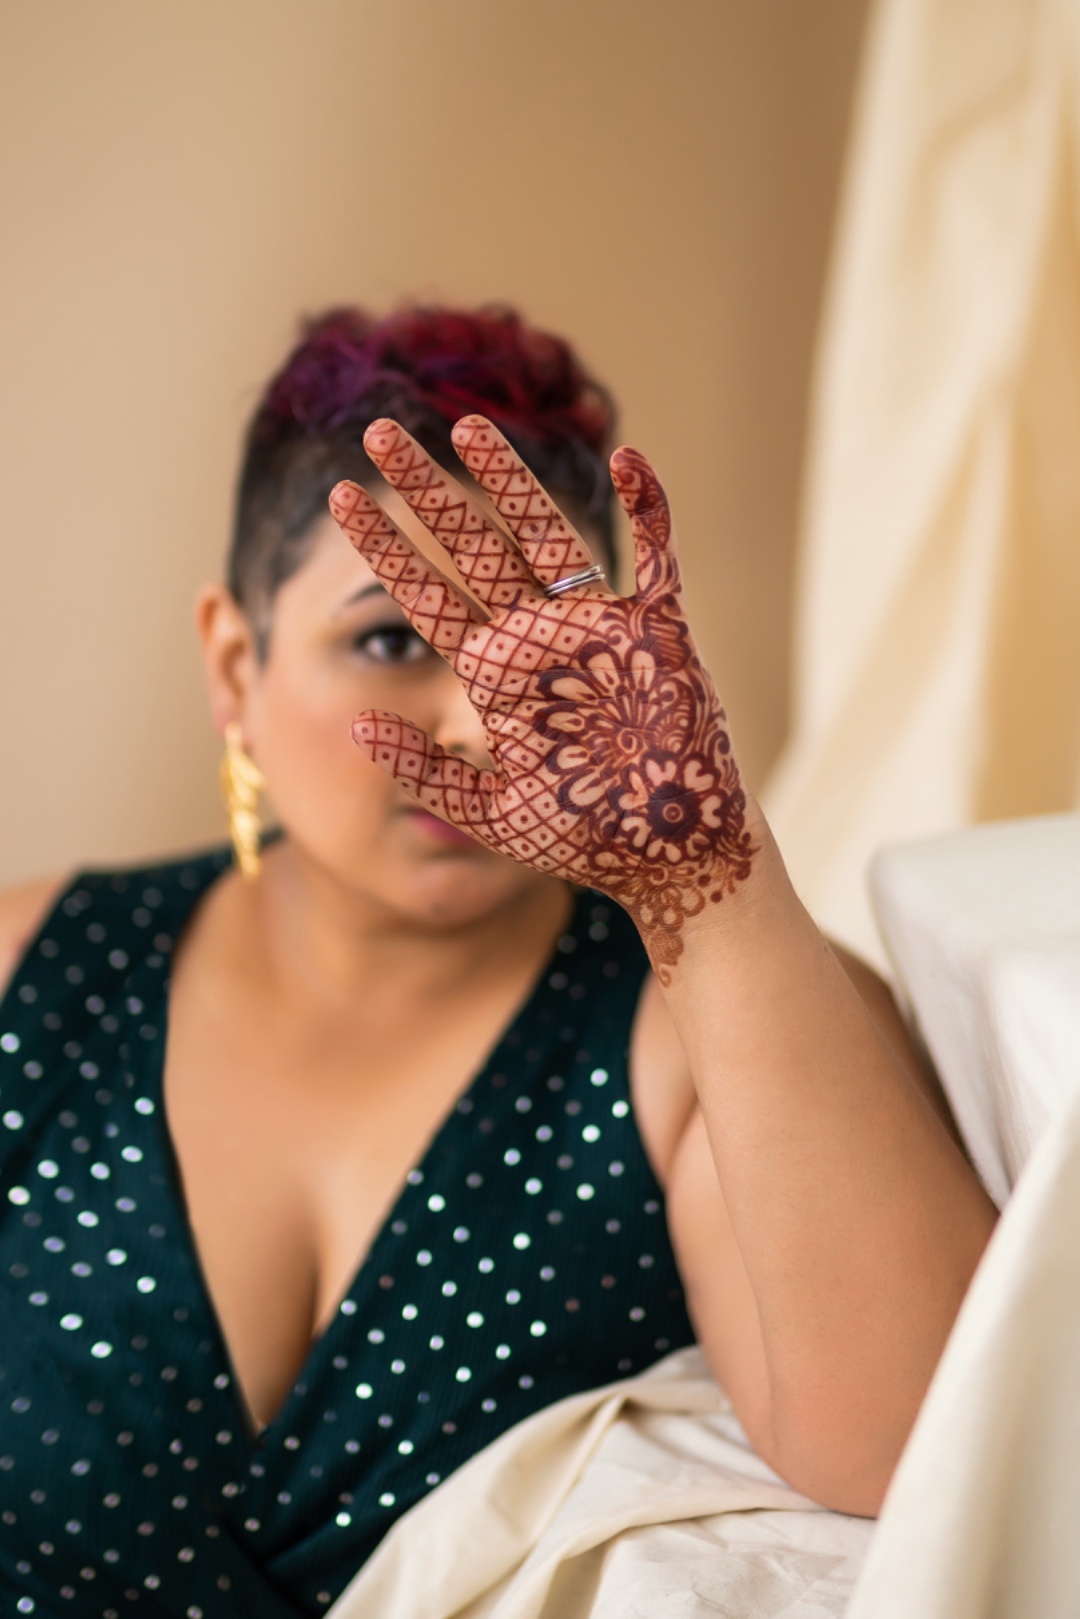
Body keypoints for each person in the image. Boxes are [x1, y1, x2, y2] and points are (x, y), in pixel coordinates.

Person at [0, 304, 996, 1619]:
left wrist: (705, 876)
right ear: (236, 667)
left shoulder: (704, 1024)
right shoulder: (33, 971)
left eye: (538, 646)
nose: (479, 718)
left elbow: (931, 1460)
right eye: (395, 641)